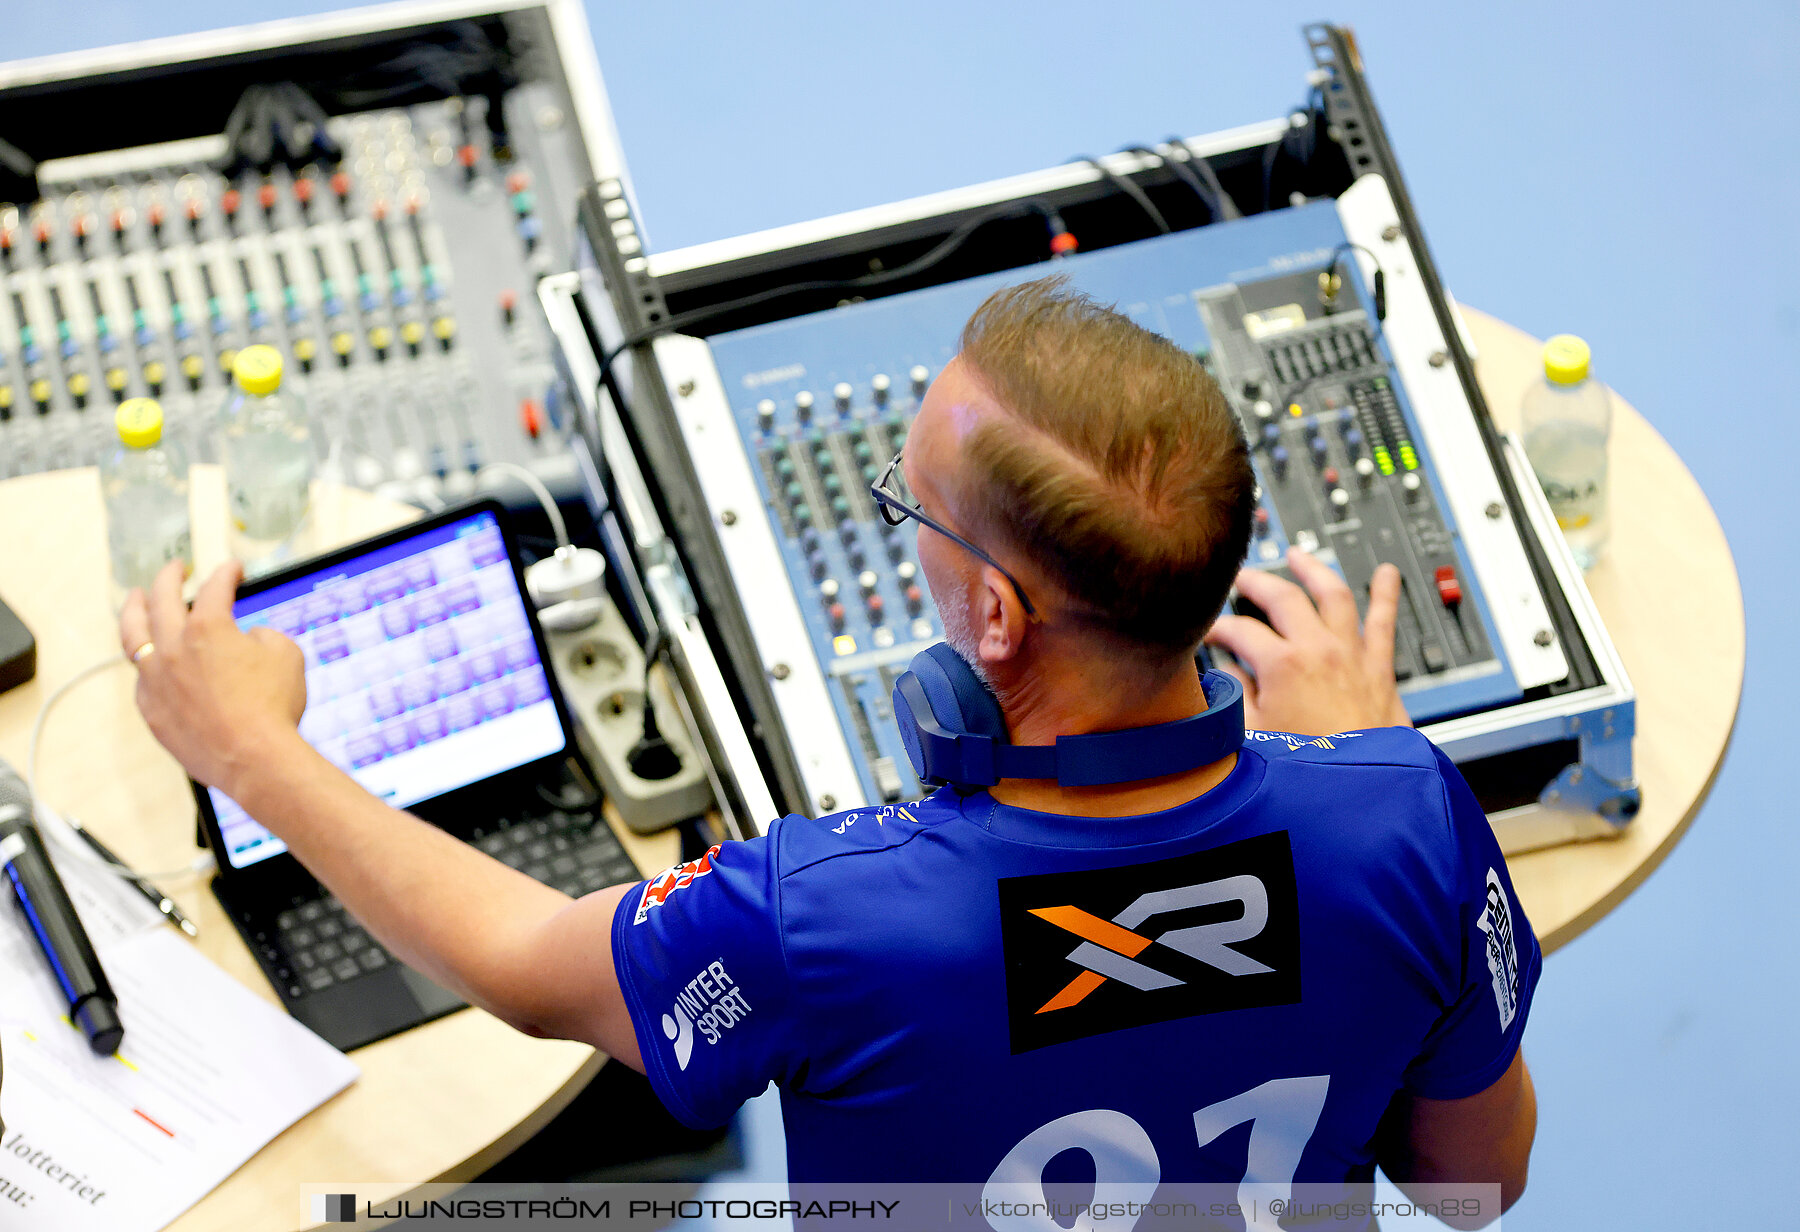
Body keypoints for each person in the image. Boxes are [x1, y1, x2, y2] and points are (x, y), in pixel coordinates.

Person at [120, 277, 1536, 1220]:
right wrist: (1362, 753)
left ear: (992, 613)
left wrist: (248, 745)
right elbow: (1475, 1182)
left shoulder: (820, 918)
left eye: (908, 514)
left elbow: (531, 968)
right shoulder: (1404, 814)